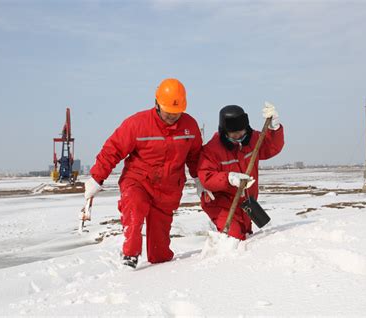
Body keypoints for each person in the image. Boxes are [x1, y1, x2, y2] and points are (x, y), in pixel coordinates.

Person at [83, 78, 207, 269]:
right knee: (135, 210)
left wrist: (200, 178)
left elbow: (195, 155)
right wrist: (96, 178)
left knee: (160, 253)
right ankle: (130, 257)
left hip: (168, 188)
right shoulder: (137, 124)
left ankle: (158, 275)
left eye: (177, 112)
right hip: (138, 181)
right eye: (169, 112)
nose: (173, 117)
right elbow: (113, 149)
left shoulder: (189, 126)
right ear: (157, 104)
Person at [197, 102, 284, 240]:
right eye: (233, 133)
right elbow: (206, 176)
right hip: (221, 203)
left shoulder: (254, 139)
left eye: (241, 131)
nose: (238, 135)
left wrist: (274, 128)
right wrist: (229, 178)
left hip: (246, 201)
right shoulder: (212, 149)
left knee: (247, 237)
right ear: (224, 131)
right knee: (235, 238)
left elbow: (272, 147)